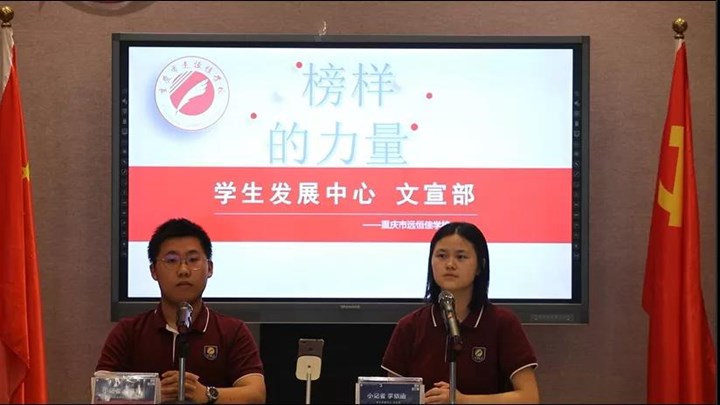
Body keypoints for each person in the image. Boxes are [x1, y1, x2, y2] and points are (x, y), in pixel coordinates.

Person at [96, 218, 266, 404]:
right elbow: (100, 391)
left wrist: (206, 394)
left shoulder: (232, 331)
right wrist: (153, 393)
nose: (183, 270)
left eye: (193, 260)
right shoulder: (129, 331)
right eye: (171, 260)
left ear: (209, 268)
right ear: (153, 271)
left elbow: (256, 394)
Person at [381, 221, 539, 404]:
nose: (450, 264)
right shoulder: (410, 326)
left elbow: (529, 397)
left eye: (461, 257)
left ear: (480, 266)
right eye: (441, 256)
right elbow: (391, 397)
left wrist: (463, 400)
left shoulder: (502, 323)